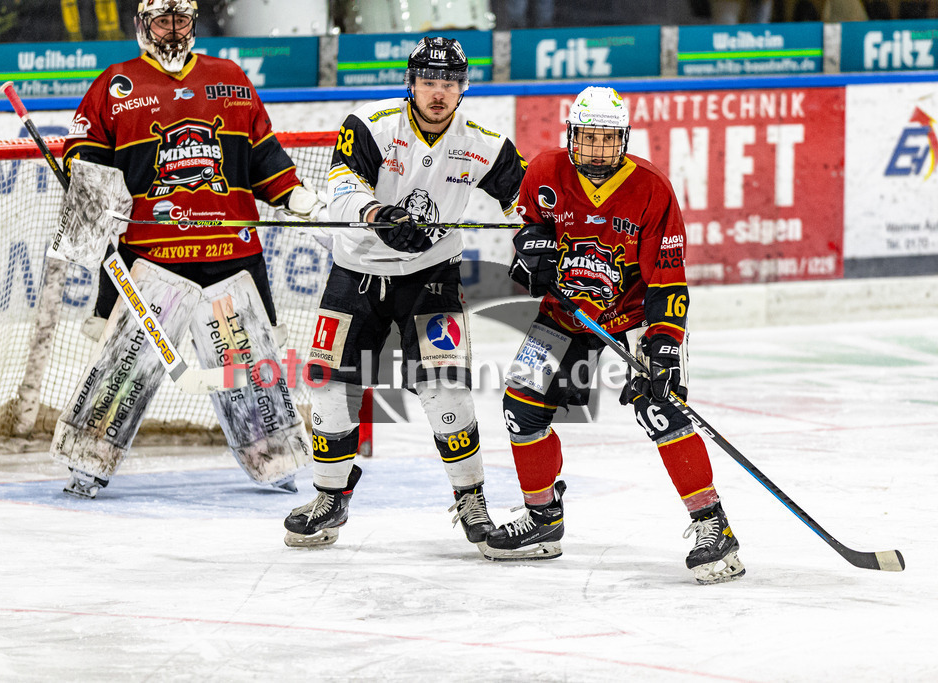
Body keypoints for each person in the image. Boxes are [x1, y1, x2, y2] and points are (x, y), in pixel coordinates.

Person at [55, 0, 321, 497]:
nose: (172, 30)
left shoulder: (229, 78)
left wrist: (292, 192)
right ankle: (88, 461)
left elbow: (262, 152)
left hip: (230, 255)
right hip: (149, 260)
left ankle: (276, 460)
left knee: (250, 371)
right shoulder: (117, 84)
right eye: (162, 20)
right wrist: (86, 179)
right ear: (142, 24)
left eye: (180, 20)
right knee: (125, 368)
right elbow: (84, 153)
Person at [484, 86, 746, 584]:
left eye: (608, 139)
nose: (598, 149)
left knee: (661, 408)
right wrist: (529, 258)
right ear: (571, 137)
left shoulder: (651, 187)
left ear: (623, 139)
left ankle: (714, 527)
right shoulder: (543, 172)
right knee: (520, 404)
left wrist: (664, 345)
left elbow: (668, 276)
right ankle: (543, 521)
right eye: (588, 138)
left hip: (635, 316)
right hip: (567, 314)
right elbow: (530, 238)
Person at [282, 37, 528, 552]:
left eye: (449, 84)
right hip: (357, 271)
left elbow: (524, 200)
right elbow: (344, 186)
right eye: (428, 82)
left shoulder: (482, 141)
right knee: (329, 385)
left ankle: (472, 501)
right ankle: (330, 497)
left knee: (447, 390)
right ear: (410, 83)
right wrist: (380, 216)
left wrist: (537, 242)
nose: (438, 94)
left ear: (463, 88)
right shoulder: (369, 124)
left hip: (432, 276)